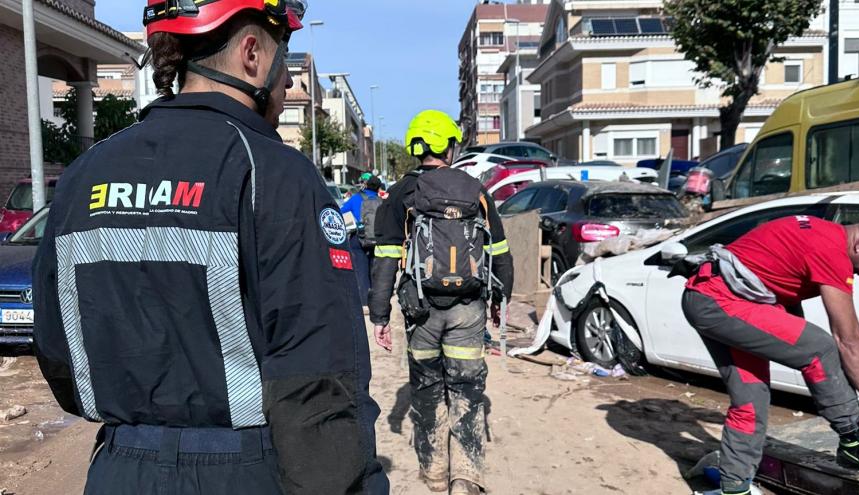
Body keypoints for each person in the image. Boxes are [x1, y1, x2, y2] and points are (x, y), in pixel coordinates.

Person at [32, 1, 388, 493]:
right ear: (251, 54)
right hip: (242, 470)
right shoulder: (275, 174)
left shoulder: (82, 174)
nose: (288, 85)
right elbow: (319, 380)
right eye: (285, 62)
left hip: (118, 468)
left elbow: (55, 347)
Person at [369, 110, 514, 495]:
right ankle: (465, 476)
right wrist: (501, 300)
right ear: (449, 147)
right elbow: (500, 250)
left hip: (421, 311)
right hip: (469, 308)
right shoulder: (475, 189)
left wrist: (380, 314)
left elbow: (385, 256)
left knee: (428, 387)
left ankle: (434, 472)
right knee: (467, 388)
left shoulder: (402, 192)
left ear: (416, 147)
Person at [681, 215, 859, 495]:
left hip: (715, 296)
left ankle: (734, 489)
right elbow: (848, 338)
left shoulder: (819, 230)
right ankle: (854, 443)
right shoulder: (832, 251)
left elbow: (780, 279)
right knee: (819, 348)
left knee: (750, 400)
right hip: (720, 301)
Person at [341, 175, 384, 306]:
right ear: (378, 188)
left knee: (361, 270)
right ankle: (375, 299)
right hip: (376, 238)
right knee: (374, 269)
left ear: (365, 185)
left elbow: (341, 210)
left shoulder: (356, 198)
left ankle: (364, 302)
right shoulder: (380, 201)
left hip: (358, 238)